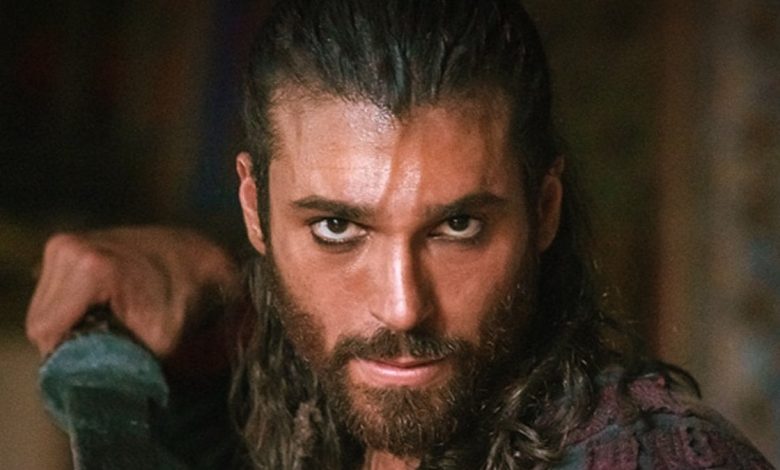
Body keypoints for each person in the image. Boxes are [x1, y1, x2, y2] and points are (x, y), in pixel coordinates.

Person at [26, 0, 772, 468]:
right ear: (255, 208)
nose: (403, 307)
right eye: (337, 227)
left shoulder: (649, 457)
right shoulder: (293, 416)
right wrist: (194, 269)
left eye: (457, 226)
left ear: (544, 209)